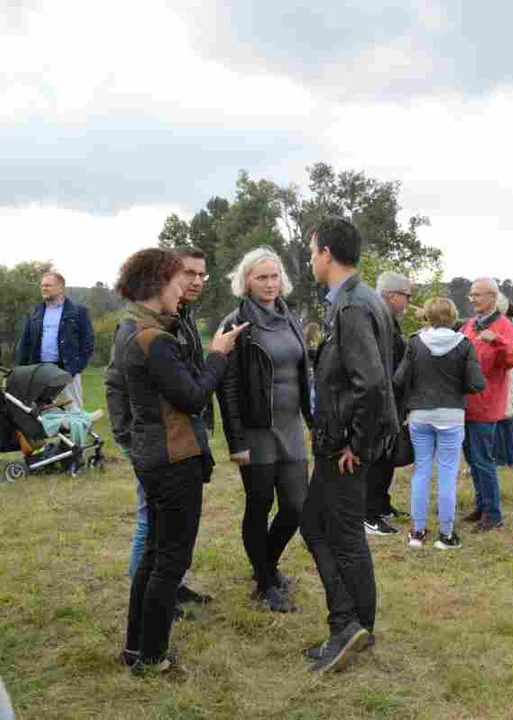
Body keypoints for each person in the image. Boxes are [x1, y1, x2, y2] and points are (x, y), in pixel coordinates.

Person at [116, 248, 246, 676]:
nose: (184, 289)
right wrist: (218, 354)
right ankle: (152, 657)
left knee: (155, 555)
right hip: (173, 461)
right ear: (158, 284)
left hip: (154, 459)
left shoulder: (133, 327)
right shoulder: (155, 340)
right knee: (169, 561)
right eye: (179, 281)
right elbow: (192, 395)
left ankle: (136, 648)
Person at [300, 217, 399, 674]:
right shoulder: (361, 299)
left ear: (326, 254)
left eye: (311, 250)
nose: (308, 259)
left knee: (338, 534)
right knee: (323, 527)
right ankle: (353, 624)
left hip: (343, 446)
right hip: (341, 440)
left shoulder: (353, 306)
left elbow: (373, 383)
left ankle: (350, 626)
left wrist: (354, 444)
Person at [106, 248, 213, 609]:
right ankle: (152, 606)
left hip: (173, 439)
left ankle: (168, 594)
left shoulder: (179, 318)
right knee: (150, 530)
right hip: (155, 444)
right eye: (187, 274)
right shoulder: (141, 329)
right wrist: (128, 436)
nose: (194, 282)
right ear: (164, 279)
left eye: (202, 274)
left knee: (165, 536)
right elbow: (117, 383)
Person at [218, 247, 312, 613]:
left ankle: (266, 566)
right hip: (256, 430)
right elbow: (226, 388)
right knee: (259, 505)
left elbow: (305, 374)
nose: (270, 284)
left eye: (275, 276)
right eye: (262, 277)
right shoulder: (236, 323)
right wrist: (236, 440)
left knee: (296, 506)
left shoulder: (290, 317)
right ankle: (265, 581)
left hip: (291, 426)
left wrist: (314, 419)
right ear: (246, 281)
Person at [394, 297, 485, 550]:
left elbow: (399, 379)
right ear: (454, 316)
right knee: (447, 474)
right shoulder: (465, 344)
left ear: (428, 316)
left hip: (420, 414)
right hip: (451, 415)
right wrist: (458, 387)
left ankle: (417, 532)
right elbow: (477, 383)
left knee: (421, 472)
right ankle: (446, 535)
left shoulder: (415, 341)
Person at [461, 278, 513, 531]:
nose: (473, 299)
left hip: (486, 404)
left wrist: (497, 341)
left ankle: (493, 514)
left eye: (477, 295)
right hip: (466, 404)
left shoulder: (504, 326)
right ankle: (482, 506)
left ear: (492, 298)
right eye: (471, 295)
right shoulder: (468, 324)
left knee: (483, 460)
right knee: (472, 459)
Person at [364, 272, 413, 536]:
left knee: (386, 456)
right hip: (378, 400)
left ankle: (381, 503)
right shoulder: (375, 318)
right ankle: (367, 514)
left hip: (391, 399)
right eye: (407, 296)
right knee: (375, 457)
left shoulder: (388, 320)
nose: (408, 301)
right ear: (392, 295)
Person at [16, 271, 94, 409]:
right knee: (43, 413)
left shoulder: (78, 311)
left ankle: (76, 431)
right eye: (42, 286)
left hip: (67, 370)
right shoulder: (35, 311)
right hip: (40, 371)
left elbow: (88, 342)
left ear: (61, 288)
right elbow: (25, 343)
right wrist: (20, 372)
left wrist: (76, 367)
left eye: (48, 285)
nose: (44, 288)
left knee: (74, 412)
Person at [494, 296, 513, 468]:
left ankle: (503, 459)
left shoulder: (509, 328)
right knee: (506, 421)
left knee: (502, 421)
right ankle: (509, 459)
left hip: (507, 379)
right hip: (510, 379)